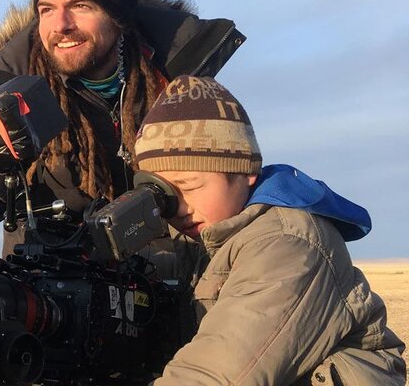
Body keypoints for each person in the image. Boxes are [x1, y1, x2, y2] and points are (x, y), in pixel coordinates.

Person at [0, 0, 245, 269]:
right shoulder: (15, 90)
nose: (60, 25)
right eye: (46, 9)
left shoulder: (173, 73)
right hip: (52, 281)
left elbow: (226, 183)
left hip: (168, 275)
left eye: (80, 6)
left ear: (119, 17)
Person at [133, 75, 407, 385]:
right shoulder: (206, 241)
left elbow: (215, 376)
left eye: (190, 186)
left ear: (245, 170)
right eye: (164, 194)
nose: (178, 207)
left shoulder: (288, 245)